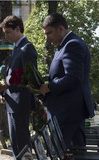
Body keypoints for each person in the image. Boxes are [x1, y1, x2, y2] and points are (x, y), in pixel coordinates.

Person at [40, 13, 95, 150]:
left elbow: (73, 78)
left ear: (61, 29)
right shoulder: (64, 45)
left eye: (49, 33)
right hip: (67, 111)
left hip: (68, 113)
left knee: (65, 159)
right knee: (73, 159)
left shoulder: (72, 44)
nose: (47, 38)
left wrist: (49, 87)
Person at [0, 15, 39, 160]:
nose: (6, 36)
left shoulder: (27, 48)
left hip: (20, 101)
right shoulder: (17, 47)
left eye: (8, 32)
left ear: (17, 29)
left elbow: (30, 77)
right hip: (13, 100)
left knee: (21, 141)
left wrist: (8, 84)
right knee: (15, 141)